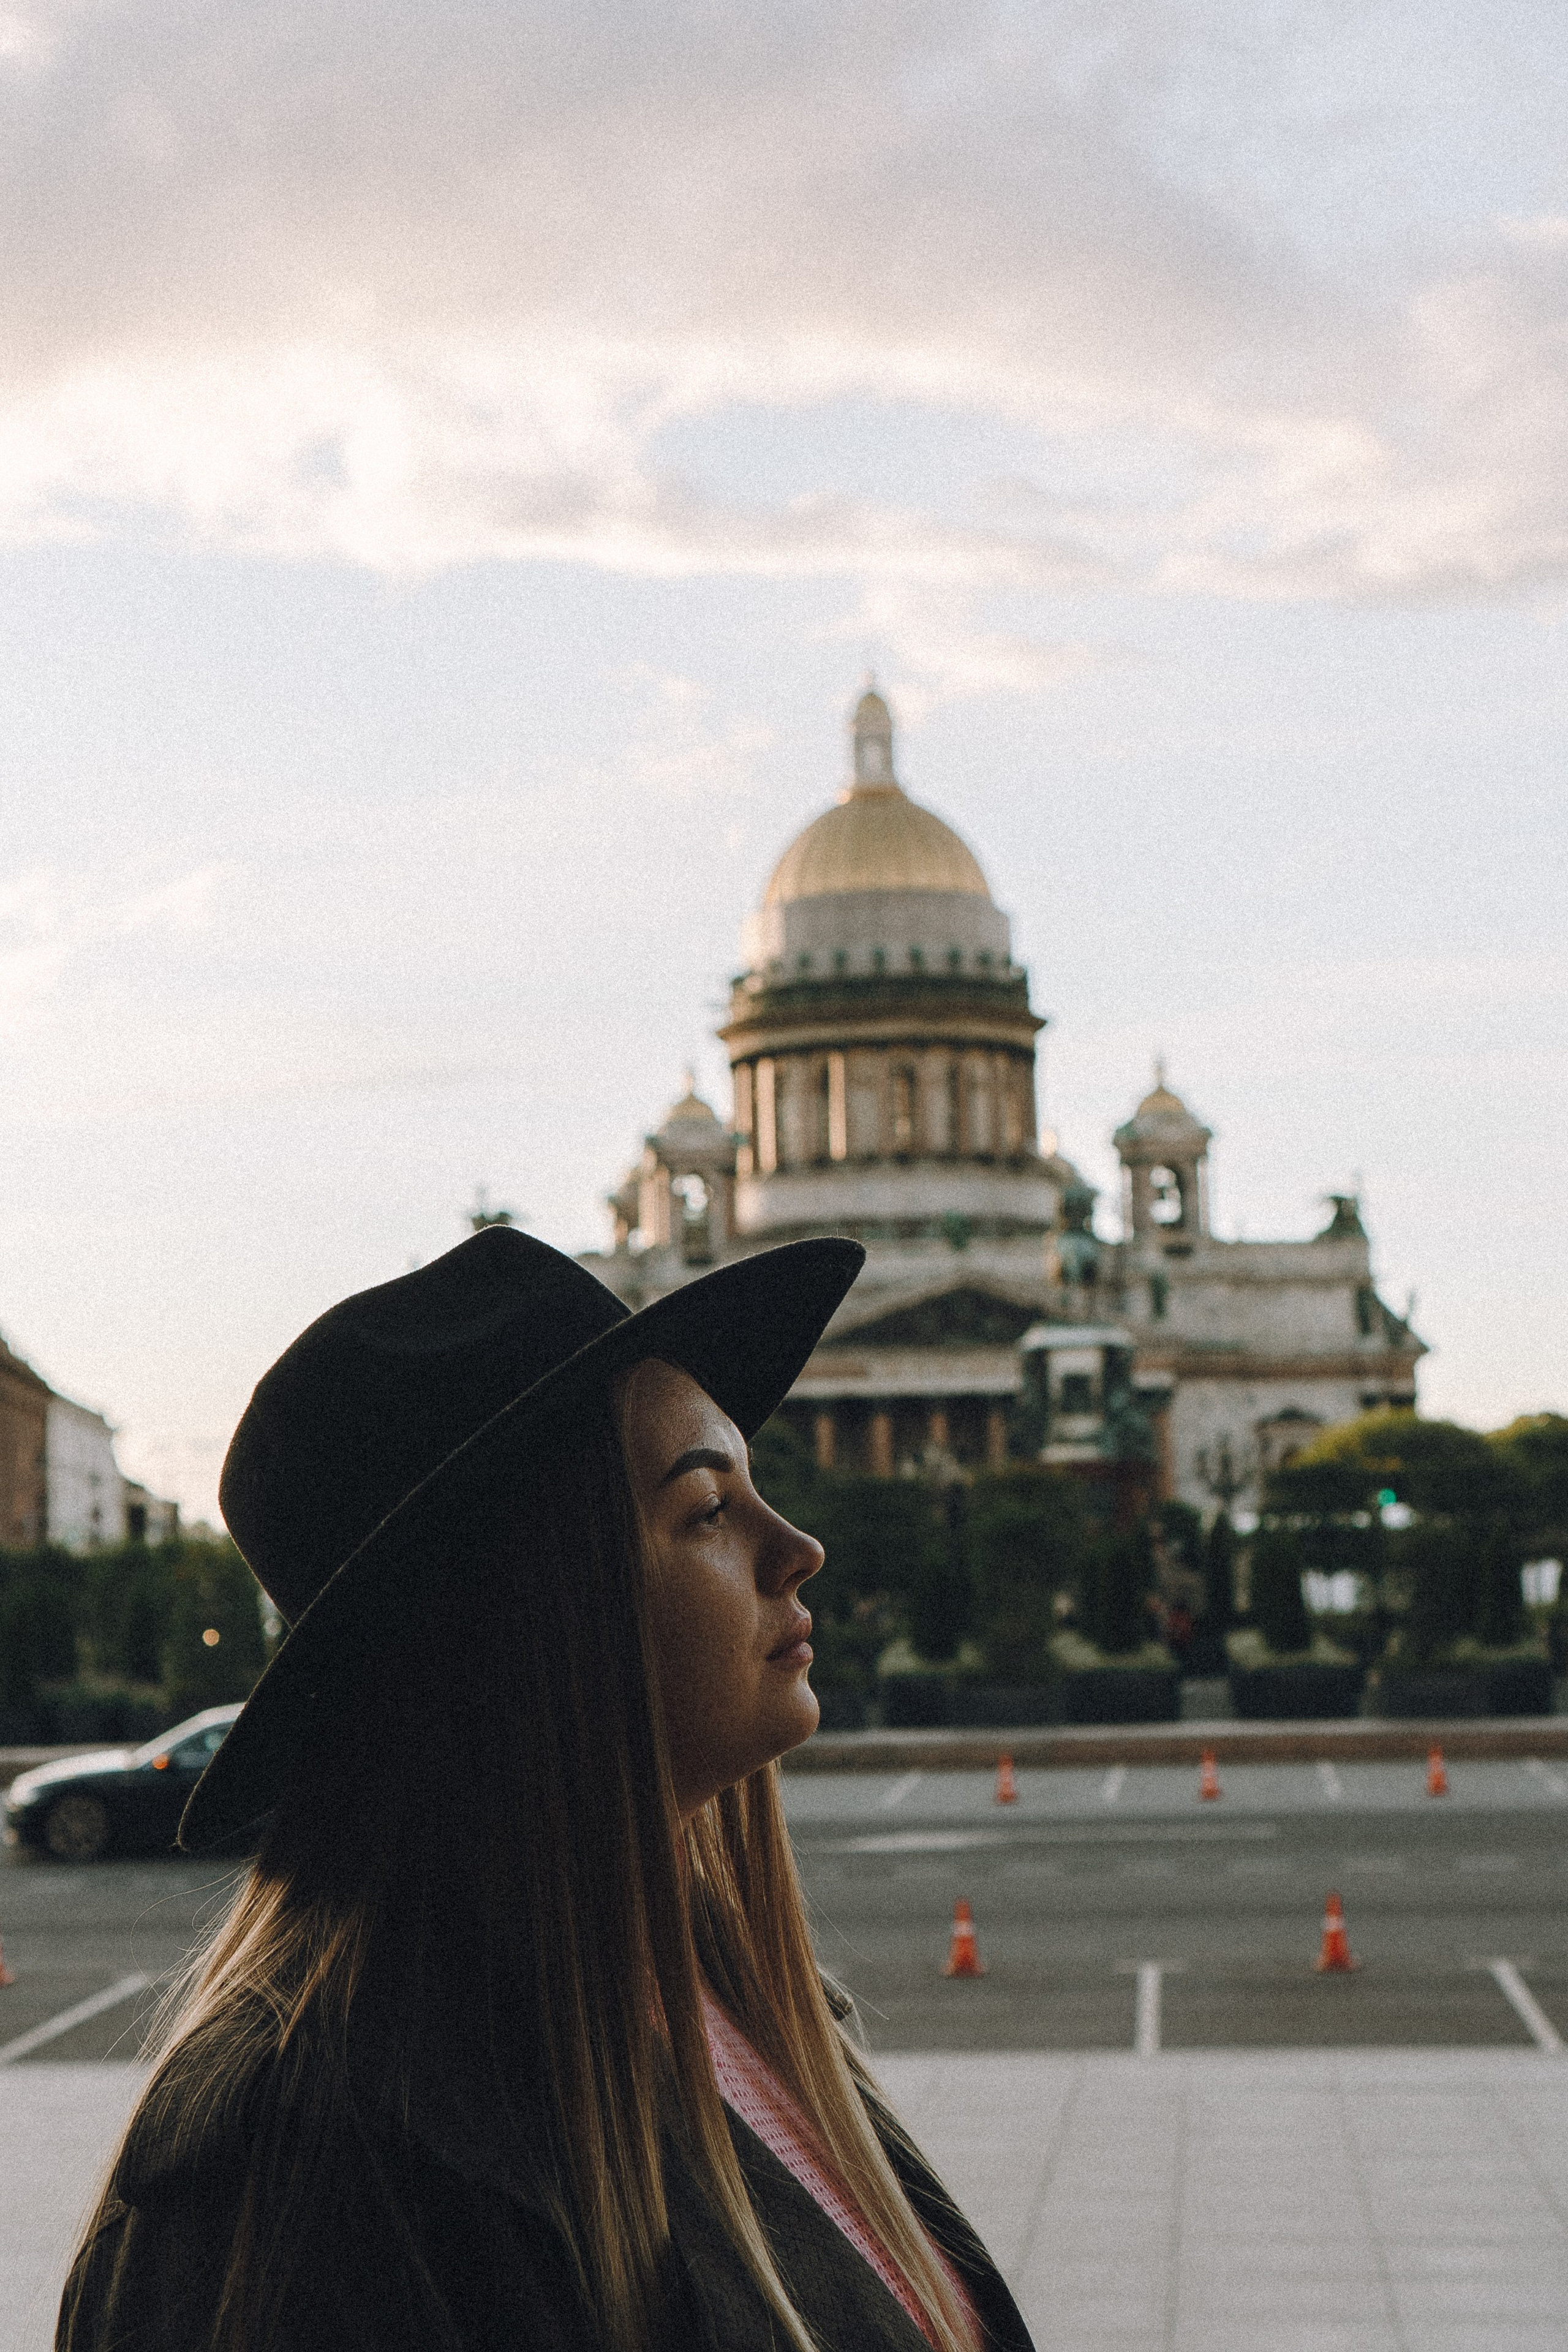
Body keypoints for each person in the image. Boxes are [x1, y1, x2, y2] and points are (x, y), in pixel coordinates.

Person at [58, 1227, 1035, 2352]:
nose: (800, 1547)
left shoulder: (728, 1992)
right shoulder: (301, 2183)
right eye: (707, 1508)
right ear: (528, 1610)